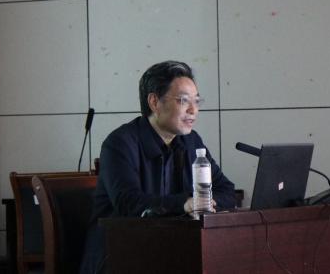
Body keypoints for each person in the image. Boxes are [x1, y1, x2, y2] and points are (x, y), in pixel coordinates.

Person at [79, 60, 236, 274]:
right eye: (183, 101)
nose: (193, 110)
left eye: (197, 101)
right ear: (154, 102)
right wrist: (185, 203)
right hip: (118, 254)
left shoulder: (191, 141)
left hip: (169, 248)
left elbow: (226, 190)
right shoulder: (120, 143)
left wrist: (204, 202)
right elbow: (128, 202)